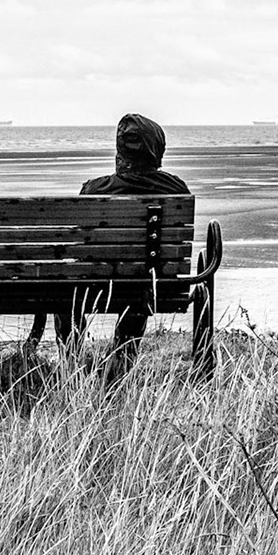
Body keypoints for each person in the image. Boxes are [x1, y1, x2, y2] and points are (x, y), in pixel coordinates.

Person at [75, 113, 189, 381]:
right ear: (156, 149)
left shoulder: (94, 190)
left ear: (120, 150)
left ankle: (72, 364)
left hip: (93, 288)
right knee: (140, 284)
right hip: (154, 287)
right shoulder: (176, 190)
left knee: (65, 294)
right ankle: (122, 361)